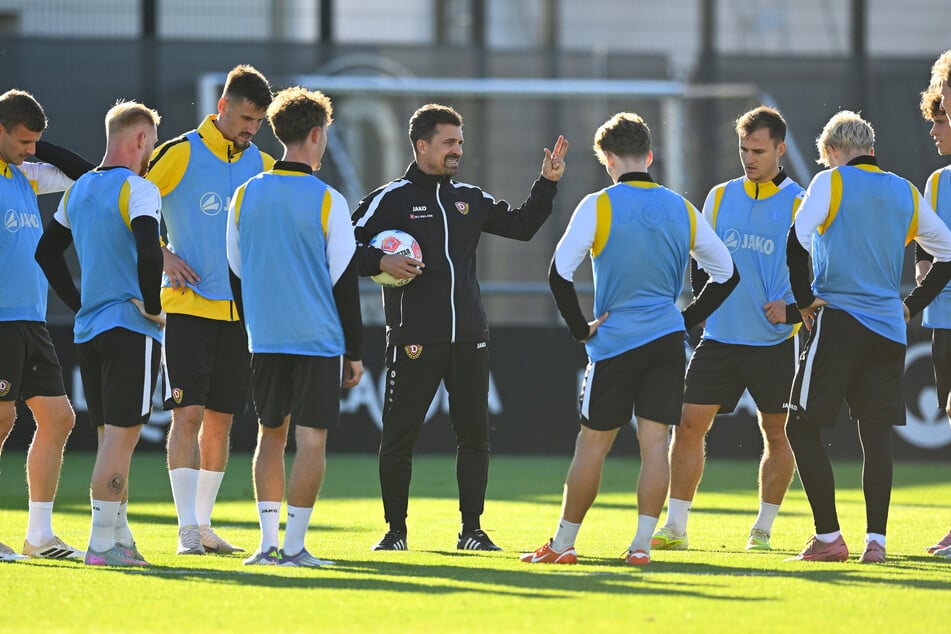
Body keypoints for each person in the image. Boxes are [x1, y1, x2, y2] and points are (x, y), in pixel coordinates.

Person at [520, 112, 738, 566]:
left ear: (608, 159)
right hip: (665, 342)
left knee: (592, 445)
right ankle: (641, 546)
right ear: (650, 155)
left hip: (615, 343)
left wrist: (581, 329)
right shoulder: (681, 206)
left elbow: (559, 273)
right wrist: (685, 319)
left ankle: (563, 544)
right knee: (655, 445)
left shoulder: (598, 204)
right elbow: (726, 274)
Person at [352, 103, 568, 551]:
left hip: (469, 337)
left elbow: (524, 226)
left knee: (475, 438)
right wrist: (379, 260)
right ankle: (395, 532)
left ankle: (472, 530)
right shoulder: (389, 199)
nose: (457, 150)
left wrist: (547, 183)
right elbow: (343, 246)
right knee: (399, 438)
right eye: (449, 142)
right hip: (414, 338)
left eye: (460, 142)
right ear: (422, 144)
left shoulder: (469, 197)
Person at [785, 110, 951, 564]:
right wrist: (911, 305)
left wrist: (802, 301)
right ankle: (875, 542)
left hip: (838, 321)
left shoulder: (830, 183)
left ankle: (829, 537)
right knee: (876, 436)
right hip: (888, 331)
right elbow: (948, 252)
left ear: (833, 153)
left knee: (799, 426)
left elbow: (795, 240)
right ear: (872, 149)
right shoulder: (904, 190)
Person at [653, 106, 801, 553]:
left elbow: (820, 271)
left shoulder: (802, 201)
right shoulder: (718, 196)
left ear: (780, 148)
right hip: (719, 338)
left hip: (773, 342)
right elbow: (703, 259)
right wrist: (702, 309)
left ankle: (763, 529)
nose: (749, 158)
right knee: (688, 424)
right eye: (743, 150)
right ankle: (675, 525)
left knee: (777, 432)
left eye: (758, 150)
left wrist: (793, 311)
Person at [226, 86, 363, 566]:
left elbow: (236, 273)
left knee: (270, 436)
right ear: (316, 134)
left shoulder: (243, 195)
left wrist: (255, 329)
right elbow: (344, 283)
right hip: (319, 339)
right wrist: (356, 351)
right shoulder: (329, 199)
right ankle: (296, 546)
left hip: (265, 339)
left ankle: (266, 545)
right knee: (311, 441)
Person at [148, 64, 275, 555]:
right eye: (245, 118)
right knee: (188, 415)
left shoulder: (262, 163)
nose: (251, 129)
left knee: (221, 421)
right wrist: (160, 252)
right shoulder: (179, 152)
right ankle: (184, 529)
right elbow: (129, 201)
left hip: (241, 316)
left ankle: (202, 525)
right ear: (221, 107)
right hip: (187, 310)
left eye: (258, 122)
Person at [35, 100, 165, 567]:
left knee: (112, 433)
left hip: (88, 331)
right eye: (150, 141)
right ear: (140, 140)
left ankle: (121, 539)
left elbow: (47, 253)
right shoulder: (139, 188)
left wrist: (80, 305)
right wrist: (154, 308)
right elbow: (151, 256)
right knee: (121, 438)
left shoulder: (79, 190)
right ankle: (102, 545)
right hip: (130, 327)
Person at [0, 89, 89, 562]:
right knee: (2, 418)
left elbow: (86, 174)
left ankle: (38, 537)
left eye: (37, 142)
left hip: (31, 319)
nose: (30, 150)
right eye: (23, 140)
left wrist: (35, 149)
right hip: (0, 321)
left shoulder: (24, 173)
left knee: (59, 418)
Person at [916, 58, 951, 559]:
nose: (935, 127)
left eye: (941, 116)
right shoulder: (938, 183)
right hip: (945, 322)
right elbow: (927, 253)